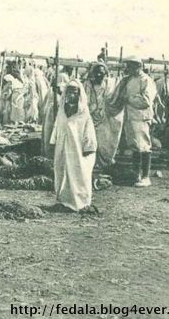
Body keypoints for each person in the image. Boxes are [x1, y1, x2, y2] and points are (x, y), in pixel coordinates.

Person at [50, 80, 97, 212]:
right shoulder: (62, 110)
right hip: (63, 147)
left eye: (74, 92)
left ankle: (80, 203)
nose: (71, 94)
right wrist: (53, 141)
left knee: (79, 174)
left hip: (78, 149)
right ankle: (64, 201)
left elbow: (89, 131)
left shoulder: (83, 113)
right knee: (62, 171)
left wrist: (89, 147)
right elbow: (57, 126)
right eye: (69, 91)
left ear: (79, 94)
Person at [111, 55, 157, 187]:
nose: (128, 68)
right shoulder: (129, 80)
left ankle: (146, 176)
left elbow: (146, 101)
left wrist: (129, 98)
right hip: (130, 116)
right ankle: (136, 174)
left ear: (139, 66)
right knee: (135, 146)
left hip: (141, 117)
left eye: (131, 65)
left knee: (144, 146)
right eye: (128, 65)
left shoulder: (146, 81)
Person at [83, 62, 124, 169]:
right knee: (91, 139)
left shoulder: (109, 84)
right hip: (91, 115)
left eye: (101, 73)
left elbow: (113, 96)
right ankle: (92, 161)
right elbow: (86, 100)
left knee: (103, 140)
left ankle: (103, 161)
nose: (99, 75)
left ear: (105, 73)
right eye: (97, 73)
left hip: (104, 116)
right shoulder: (88, 84)